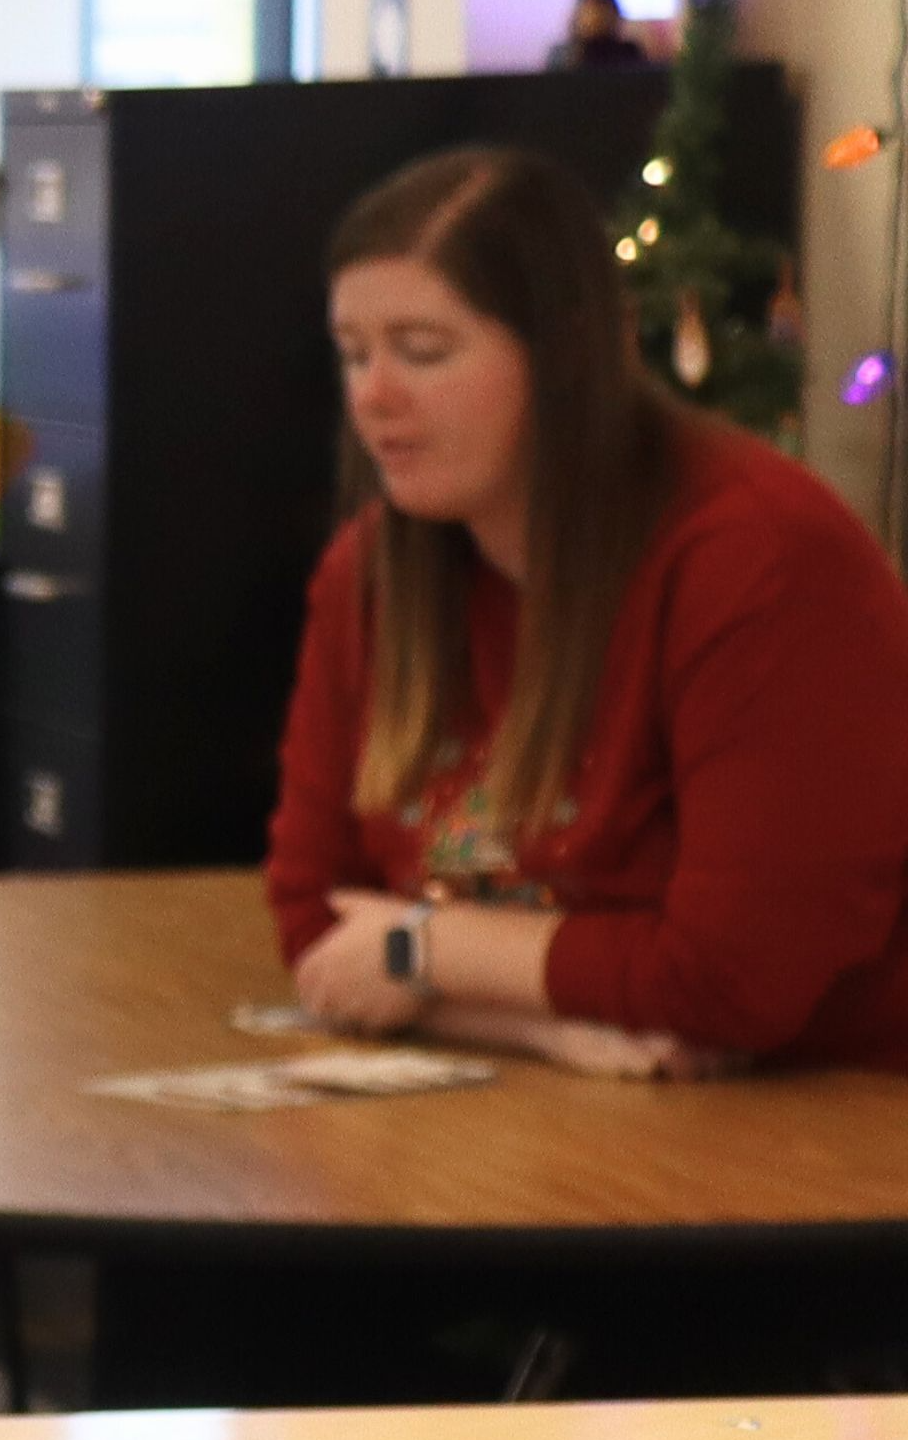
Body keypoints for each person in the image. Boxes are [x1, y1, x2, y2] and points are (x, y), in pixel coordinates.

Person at [268, 147, 908, 1081]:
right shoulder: (373, 574)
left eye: (424, 351)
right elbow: (314, 922)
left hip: (824, 1134)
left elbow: (734, 983)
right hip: (567, 1104)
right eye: (354, 354)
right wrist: (546, 1028)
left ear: (566, 352)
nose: (374, 397)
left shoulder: (757, 562)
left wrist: (420, 952)